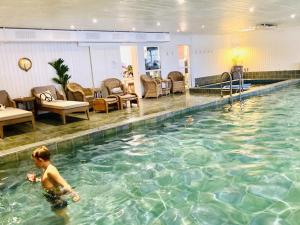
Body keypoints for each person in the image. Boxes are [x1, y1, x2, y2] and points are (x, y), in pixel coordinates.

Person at [27, 146, 80, 214]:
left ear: (41, 160)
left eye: (35, 161)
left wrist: (75, 195)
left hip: (57, 200)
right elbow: (47, 181)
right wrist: (35, 180)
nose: (34, 164)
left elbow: (65, 185)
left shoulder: (51, 170)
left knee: (65, 221)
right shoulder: (45, 169)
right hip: (52, 197)